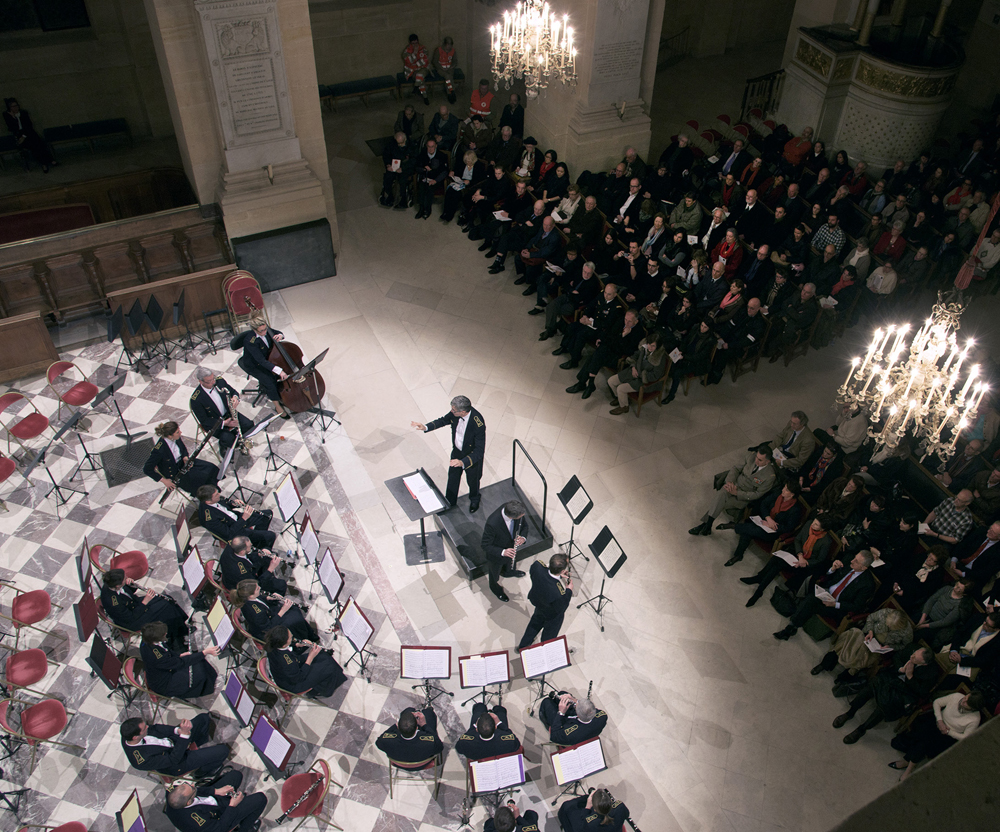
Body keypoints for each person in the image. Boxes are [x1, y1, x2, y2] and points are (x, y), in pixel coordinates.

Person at [831, 645, 937, 744]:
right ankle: (850, 712)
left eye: (915, 659)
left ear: (924, 664)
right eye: (913, 654)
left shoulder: (931, 673)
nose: (912, 657)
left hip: (905, 690)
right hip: (892, 677)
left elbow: (922, 691)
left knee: (885, 706)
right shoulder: (912, 648)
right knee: (871, 686)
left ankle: (862, 729)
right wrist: (900, 668)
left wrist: (910, 677)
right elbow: (897, 657)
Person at [772, 551, 878, 642]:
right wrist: (832, 569)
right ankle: (795, 618)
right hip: (827, 590)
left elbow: (856, 606)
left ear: (864, 567)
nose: (852, 561)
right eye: (855, 558)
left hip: (837, 604)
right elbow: (830, 576)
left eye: (856, 561)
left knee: (811, 601)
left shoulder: (867, 584)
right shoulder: (848, 560)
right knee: (809, 580)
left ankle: (791, 627)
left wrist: (834, 604)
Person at [412, 395, 486, 512]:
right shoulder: (455, 413)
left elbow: (479, 450)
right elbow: (443, 420)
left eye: (454, 410)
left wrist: (463, 462)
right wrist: (426, 427)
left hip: (470, 457)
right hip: (457, 452)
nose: (451, 412)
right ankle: (449, 502)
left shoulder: (478, 422)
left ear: (462, 411)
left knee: (473, 481)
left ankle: (475, 499)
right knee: (453, 478)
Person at [740, 516, 835, 607]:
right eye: (814, 522)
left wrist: (804, 562)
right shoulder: (809, 524)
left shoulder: (826, 542)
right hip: (797, 553)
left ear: (822, 529)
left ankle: (759, 588)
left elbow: (820, 559)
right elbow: (797, 540)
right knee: (776, 559)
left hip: (804, 564)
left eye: (816, 525)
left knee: (778, 564)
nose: (813, 524)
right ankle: (759, 584)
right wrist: (800, 554)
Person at [889, 691, 984, 780]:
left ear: (973, 708)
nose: (963, 700)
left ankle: (907, 766)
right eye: (965, 697)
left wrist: (948, 732)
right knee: (923, 734)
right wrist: (939, 720)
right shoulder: (957, 696)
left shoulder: (974, 719)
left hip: (948, 735)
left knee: (924, 743)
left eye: (967, 702)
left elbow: (965, 737)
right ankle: (908, 765)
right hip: (938, 722)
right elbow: (937, 702)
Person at [689, 445, 776, 536]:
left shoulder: (769, 476)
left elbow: (757, 494)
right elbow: (736, 468)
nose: (756, 461)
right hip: (734, 486)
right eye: (757, 457)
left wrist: (737, 493)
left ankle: (705, 525)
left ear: (768, 461)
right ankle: (707, 526)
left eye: (760, 460)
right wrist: (730, 482)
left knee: (720, 502)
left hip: (743, 497)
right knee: (721, 494)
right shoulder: (751, 457)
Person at [811, 607, 913, 681]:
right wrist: (870, 631)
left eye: (891, 627)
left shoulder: (907, 633)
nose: (888, 626)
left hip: (878, 647)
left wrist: (890, 647)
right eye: (888, 624)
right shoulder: (886, 612)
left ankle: (845, 676)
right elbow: (870, 618)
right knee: (849, 638)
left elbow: (904, 646)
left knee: (863, 657)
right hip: (867, 635)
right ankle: (825, 664)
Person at [566, 308, 644, 400]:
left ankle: (583, 383)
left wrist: (623, 336)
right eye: (625, 319)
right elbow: (610, 333)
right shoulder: (621, 321)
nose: (626, 323)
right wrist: (602, 339)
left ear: (636, 321)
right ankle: (587, 383)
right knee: (597, 355)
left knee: (595, 356)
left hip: (618, 356)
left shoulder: (639, 333)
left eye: (629, 321)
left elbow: (627, 350)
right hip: (609, 348)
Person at [723, 481, 804, 567]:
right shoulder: (778, 494)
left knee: (750, 529)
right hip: (765, 521)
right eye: (784, 487)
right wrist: (768, 518)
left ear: (792, 495)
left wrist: (772, 526)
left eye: (786, 490)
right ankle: (738, 555)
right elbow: (764, 503)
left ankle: (735, 526)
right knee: (749, 530)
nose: (783, 490)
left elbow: (789, 527)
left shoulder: (795, 510)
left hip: (773, 531)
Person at [120, 714, 228, 777]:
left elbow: (156, 728)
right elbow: (173, 759)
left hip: (171, 741)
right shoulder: (141, 760)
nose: (148, 727)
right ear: (135, 737)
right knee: (223, 750)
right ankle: (203, 772)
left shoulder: (128, 732)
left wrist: (178, 730)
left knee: (203, 718)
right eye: (144, 728)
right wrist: (184, 736)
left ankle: (198, 743)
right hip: (176, 763)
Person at [100, 568, 188, 645]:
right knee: (166, 607)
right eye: (125, 579)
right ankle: (178, 634)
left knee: (167, 599)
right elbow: (130, 617)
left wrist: (131, 584)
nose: (126, 578)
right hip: (132, 621)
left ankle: (181, 625)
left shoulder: (112, 583)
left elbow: (128, 593)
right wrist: (145, 602)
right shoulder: (113, 602)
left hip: (135, 605)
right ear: (117, 585)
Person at [165, 770, 267, 832]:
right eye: (192, 788)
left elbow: (197, 790)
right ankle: (244, 828)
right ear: (188, 803)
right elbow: (220, 828)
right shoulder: (199, 823)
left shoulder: (174, 793)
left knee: (236, 775)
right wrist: (232, 806)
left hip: (210, 801)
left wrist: (216, 791)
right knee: (260, 799)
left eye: (189, 785)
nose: (193, 785)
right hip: (220, 818)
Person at [140, 621, 219, 698]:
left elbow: (167, 651)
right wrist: (204, 652)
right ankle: (205, 688)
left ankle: (211, 679)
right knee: (199, 670)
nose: (166, 634)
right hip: (165, 683)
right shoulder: (157, 657)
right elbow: (180, 662)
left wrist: (179, 655)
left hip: (165, 669)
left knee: (197, 660)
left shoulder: (146, 641)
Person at [264, 625, 347, 699]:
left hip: (291, 669)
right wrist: (310, 657)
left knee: (322, 655)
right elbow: (299, 677)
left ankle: (326, 683)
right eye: (290, 638)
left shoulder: (273, 645)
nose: (293, 637)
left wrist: (296, 645)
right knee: (329, 667)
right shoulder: (286, 663)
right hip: (294, 684)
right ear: (283, 645)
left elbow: (286, 650)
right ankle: (323, 691)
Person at [144, 421, 220, 496]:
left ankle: (215, 490)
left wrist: (185, 458)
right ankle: (208, 496)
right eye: (177, 432)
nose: (180, 432)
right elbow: (147, 469)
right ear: (170, 436)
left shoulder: (176, 438)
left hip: (183, 463)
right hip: (175, 473)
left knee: (210, 467)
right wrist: (164, 481)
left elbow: (183, 449)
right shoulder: (159, 450)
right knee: (201, 478)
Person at [190, 368, 254, 456]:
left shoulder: (219, 381)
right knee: (229, 439)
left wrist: (235, 397)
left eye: (213, 378)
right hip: (216, 423)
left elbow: (233, 391)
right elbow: (205, 421)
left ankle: (239, 439)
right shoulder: (196, 399)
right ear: (201, 382)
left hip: (229, 413)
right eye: (209, 381)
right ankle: (223, 444)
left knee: (249, 425)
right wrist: (225, 423)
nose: (213, 382)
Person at [240, 314, 292, 419]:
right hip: (254, 364)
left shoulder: (265, 329)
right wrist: (279, 371)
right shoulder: (250, 342)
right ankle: (277, 406)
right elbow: (261, 361)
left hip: (267, 358)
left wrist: (281, 335)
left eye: (265, 329)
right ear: (254, 330)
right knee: (269, 380)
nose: (264, 332)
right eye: (261, 331)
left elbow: (277, 332)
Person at [231, 578, 316, 642]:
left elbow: (259, 599)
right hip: (267, 632)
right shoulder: (255, 613)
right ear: (250, 595)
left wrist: (268, 598)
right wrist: (282, 611)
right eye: (257, 588)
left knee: (293, 609)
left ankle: (309, 634)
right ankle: (303, 640)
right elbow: (269, 628)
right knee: (294, 618)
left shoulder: (248, 599)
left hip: (268, 616)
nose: (260, 588)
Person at [517, 553, 573, 649]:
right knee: (549, 635)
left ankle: (523, 646)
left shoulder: (537, 567)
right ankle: (545, 650)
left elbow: (539, 571)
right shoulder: (559, 593)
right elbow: (561, 607)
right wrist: (569, 590)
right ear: (563, 571)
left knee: (534, 625)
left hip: (539, 604)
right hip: (552, 614)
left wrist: (558, 576)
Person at [197, 485, 276, 549]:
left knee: (268, 515)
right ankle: (263, 554)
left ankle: (257, 542)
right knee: (270, 536)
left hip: (237, 518)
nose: (219, 495)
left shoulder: (212, 500)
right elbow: (229, 534)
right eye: (216, 495)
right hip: (236, 531)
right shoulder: (209, 520)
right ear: (208, 501)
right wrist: (243, 519)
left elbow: (224, 503)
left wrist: (233, 503)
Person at [607, 331, 667, 416]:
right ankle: (621, 398)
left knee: (620, 388)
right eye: (649, 344)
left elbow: (655, 376)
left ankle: (624, 407)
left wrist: (641, 374)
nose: (650, 347)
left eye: (653, 345)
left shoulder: (660, 358)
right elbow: (634, 357)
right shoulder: (644, 347)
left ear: (658, 346)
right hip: (633, 371)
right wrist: (633, 367)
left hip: (643, 380)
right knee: (611, 381)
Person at [481, 499, 528, 602]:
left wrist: (523, 538)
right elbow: (485, 545)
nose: (522, 517)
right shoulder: (492, 523)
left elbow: (524, 526)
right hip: (497, 555)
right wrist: (503, 552)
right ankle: (494, 588)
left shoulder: (512, 509)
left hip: (510, 548)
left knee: (509, 564)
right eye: (520, 517)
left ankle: (508, 572)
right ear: (512, 516)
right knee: (494, 573)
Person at [218, 534, 286, 595]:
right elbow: (257, 584)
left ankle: (268, 576)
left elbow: (248, 556)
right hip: (243, 586)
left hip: (245, 565)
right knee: (281, 585)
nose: (251, 547)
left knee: (267, 557)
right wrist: (270, 569)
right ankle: (272, 603)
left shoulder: (233, 545)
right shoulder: (242, 572)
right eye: (250, 547)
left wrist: (260, 553)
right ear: (242, 551)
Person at [375, 706, 444, 763]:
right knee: (429, 713)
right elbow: (439, 748)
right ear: (417, 728)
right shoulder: (429, 743)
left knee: (408, 710)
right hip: (423, 764)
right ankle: (427, 711)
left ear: (398, 728)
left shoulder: (387, 741)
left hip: (399, 763)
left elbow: (378, 743)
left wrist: (396, 725)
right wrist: (424, 725)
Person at [3, 98, 55, 172]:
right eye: (13, 106)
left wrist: (24, 136)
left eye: (16, 106)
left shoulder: (23, 113)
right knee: (34, 146)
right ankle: (48, 161)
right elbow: (12, 127)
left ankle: (45, 163)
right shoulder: (6, 115)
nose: (16, 108)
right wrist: (14, 118)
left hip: (28, 132)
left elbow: (28, 125)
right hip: (19, 134)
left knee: (38, 143)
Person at [455, 703, 521, 760]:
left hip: (478, 758)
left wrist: (474, 725)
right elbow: (516, 744)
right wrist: (499, 723)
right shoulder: (507, 741)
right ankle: (497, 709)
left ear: (477, 730)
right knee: (500, 710)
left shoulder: (466, 743)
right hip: (499, 754)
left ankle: (481, 706)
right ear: (495, 727)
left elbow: (458, 748)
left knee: (479, 707)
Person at [539, 691, 608, 745]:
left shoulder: (569, 734)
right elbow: (589, 708)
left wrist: (561, 713)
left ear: (578, 715)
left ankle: (544, 718)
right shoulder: (603, 716)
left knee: (546, 702)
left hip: (564, 724)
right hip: (586, 726)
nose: (575, 703)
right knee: (562, 693)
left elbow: (554, 736)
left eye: (575, 706)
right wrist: (573, 699)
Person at [557, 788, 629, 832]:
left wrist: (587, 807)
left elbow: (580, 829)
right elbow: (626, 814)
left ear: (594, 809)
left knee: (566, 808)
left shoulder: (590, 823)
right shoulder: (620, 806)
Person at [414, 137, 449, 219]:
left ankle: (428, 209)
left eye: (432, 146)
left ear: (436, 146)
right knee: (422, 188)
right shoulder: (422, 154)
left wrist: (435, 180)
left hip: (436, 179)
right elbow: (416, 167)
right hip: (425, 177)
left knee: (430, 190)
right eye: (429, 146)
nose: (430, 149)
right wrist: (423, 169)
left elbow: (445, 172)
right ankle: (421, 208)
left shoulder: (442, 156)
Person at [381, 131, 415, 208]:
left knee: (403, 180)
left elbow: (413, 160)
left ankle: (403, 198)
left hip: (405, 167)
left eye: (401, 143)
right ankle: (389, 195)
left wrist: (403, 168)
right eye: (398, 143)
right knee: (388, 177)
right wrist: (388, 164)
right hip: (394, 166)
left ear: (405, 139)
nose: (399, 145)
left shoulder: (412, 146)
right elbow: (386, 155)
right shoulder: (391, 144)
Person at [401, 33, 430, 104]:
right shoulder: (407, 50)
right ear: (410, 43)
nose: (415, 45)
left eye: (416, 43)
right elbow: (408, 61)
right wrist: (414, 53)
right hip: (412, 71)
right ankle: (425, 96)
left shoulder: (423, 48)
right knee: (420, 78)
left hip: (423, 69)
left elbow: (425, 60)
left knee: (420, 74)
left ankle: (416, 87)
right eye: (413, 43)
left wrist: (415, 65)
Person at [432, 36, 459, 103]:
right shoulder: (438, 50)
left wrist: (452, 66)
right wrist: (441, 68)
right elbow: (434, 61)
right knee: (448, 77)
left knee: (448, 77)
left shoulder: (453, 51)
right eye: (448, 45)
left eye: (450, 45)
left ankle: (450, 92)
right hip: (441, 69)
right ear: (444, 44)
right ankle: (451, 92)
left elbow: (455, 61)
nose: (449, 47)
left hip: (450, 68)